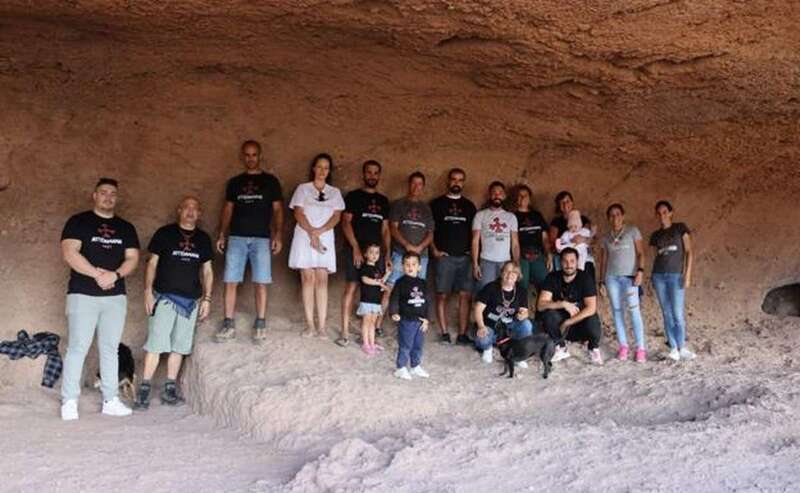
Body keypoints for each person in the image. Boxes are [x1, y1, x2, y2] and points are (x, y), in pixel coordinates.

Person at [60, 177, 140, 420]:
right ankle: (69, 401)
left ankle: (110, 399)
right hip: (83, 293)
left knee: (110, 349)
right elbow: (69, 253)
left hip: (115, 296)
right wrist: (98, 274)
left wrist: (114, 275)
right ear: (94, 195)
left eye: (112, 193)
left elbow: (133, 259)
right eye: (103, 192)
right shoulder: (78, 222)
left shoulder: (126, 228)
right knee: (77, 347)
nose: (108, 196)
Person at [136, 196, 214, 409]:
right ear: (179, 210)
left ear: (199, 214)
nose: (190, 211)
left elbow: (207, 271)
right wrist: (147, 292)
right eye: (187, 207)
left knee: (179, 346)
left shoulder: (203, 239)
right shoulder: (165, 234)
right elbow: (152, 263)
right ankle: (144, 389)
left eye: (195, 208)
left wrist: (207, 299)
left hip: (190, 301)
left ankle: (169, 388)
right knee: (155, 344)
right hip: (165, 298)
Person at [215, 140, 284, 343]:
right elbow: (228, 209)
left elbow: (278, 210)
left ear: (260, 155)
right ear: (242, 156)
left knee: (261, 281)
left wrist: (278, 235)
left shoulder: (271, 181)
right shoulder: (235, 182)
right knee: (230, 280)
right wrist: (221, 233)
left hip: (261, 237)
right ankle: (228, 323)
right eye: (247, 155)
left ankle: (260, 322)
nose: (250, 158)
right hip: (236, 236)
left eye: (254, 155)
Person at [288, 153, 345, 338]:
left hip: (324, 236)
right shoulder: (303, 189)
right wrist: (312, 232)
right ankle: (310, 326)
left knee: (322, 278)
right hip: (305, 235)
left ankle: (321, 327)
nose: (322, 171)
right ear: (313, 168)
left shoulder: (334, 192)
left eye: (326, 168)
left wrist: (319, 232)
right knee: (308, 278)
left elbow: (337, 216)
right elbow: (298, 213)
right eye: (319, 167)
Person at [339, 160, 391, 347]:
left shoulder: (383, 201)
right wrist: (355, 248)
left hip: (376, 254)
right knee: (352, 288)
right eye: (369, 172)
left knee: (372, 291)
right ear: (363, 174)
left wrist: (387, 255)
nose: (372, 176)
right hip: (356, 251)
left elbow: (385, 230)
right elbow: (345, 223)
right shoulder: (354, 196)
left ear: (379, 175)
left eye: (375, 173)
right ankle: (344, 332)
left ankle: (367, 334)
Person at [430, 168, 477, 344]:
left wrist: (473, 257)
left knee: (465, 295)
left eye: (460, 180)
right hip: (445, 256)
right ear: (448, 181)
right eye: (453, 179)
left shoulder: (469, 206)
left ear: (463, 183)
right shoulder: (437, 204)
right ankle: (444, 332)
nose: (456, 183)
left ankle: (462, 334)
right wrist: (434, 250)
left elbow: (475, 234)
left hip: (465, 257)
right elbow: (429, 230)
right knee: (442, 294)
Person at [537, 248, 603, 365]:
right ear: (560, 262)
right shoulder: (552, 277)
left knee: (592, 318)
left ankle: (593, 348)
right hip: (561, 329)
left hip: (578, 322)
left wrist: (568, 322)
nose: (568, 265)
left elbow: (591, 308)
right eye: (565, 261)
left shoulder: (585, 278)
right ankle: (560, 347)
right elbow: (540, 305)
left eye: (572, 261)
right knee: (548, 314)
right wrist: (562, 304)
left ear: (577, 262)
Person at [598, 203, 647, 362]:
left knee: (634, 311)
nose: (615, 217)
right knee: (617, 311)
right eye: (611, 215)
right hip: (612, 278)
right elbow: (603, 260)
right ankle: (624, 346)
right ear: (608, 218)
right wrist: (601, 280)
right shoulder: (606, 237)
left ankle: (640, 348)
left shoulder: (633, 231)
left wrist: (640, 271)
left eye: (618, 214)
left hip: (630, 277)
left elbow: (641, 253)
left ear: (623, 215)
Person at [649, 200, 695, 361]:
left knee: (677, 313)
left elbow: (689, 252)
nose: (662, 216)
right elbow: (656, 257)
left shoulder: (680, 228)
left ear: (670, 212)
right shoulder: (655, 236)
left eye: (664, 212)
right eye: (659, 213)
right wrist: (652, 278)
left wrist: (687, 274)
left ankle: (682, 346)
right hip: (659, 275)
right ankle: (673, 347)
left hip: (676, 276)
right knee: (666, 313)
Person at [473, 261, 533, 364]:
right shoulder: (490, 287)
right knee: (481, 339)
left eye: (514, 272)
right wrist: (481, 326)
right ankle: (488, 349)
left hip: (510, 328)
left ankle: (518, 352)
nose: (510, 275)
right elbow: (478, 309)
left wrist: (523, 315)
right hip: (491, 326)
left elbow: (525, 312)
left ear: (518, 276)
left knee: (527, 325)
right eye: (507, 271)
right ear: (501, 273)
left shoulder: (521, 291)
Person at [388, 252, 431, 380]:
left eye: (413, 264)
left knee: (418, 344)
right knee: (406, 345)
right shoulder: (400, 283)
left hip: (420, 321)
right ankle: (400, 368)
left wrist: (427, 319)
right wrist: (394, 312)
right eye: (407, 264)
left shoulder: (423, 283)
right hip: (407, 320)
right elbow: (394, 299)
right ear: (402, 267)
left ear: (419, 267)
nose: (410, 267)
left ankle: (415, 366)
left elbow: (428, 301)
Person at [472, 181, 520, 292]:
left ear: (504, 196)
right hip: (486, 260)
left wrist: (516, 265)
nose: (497, 195)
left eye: (500, 193)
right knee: (484, 292)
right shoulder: (480, 215)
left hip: (506, 262)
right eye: (494, 193)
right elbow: (475, 241)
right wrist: (475, 264)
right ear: (489, 195)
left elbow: (515, 243)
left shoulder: (511, 217)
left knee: (505, 292)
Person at [512, 184, 551, 293]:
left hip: (538, 254)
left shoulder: (537, 215)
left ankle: (543, 310)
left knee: (545, 285)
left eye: (525, 195)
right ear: (516, 198)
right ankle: (522, 310)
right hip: (522, 256)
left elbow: (545, 238)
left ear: (530, 198)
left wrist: (548, 254)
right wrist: (516, 261)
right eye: (520, 195)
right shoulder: (512, 216)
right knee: (521, 285)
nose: (523, 198)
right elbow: (514, 241)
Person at [356, 244, 390, 356]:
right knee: (366, 322)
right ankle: (365, 344)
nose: (374, 255)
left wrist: (387, 274)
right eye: (371, 252)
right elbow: (365, 280)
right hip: (366, 301)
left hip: (376, 301)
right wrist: (380, 283)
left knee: (373, 323)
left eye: (377, 253)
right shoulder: (365, 267)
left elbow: (380, 283)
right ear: (365, 254)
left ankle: (372, 343)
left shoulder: (377, 269)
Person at [548, 191, 591, 270]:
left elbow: (591, 237)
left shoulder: (583, 219)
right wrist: (563, 245)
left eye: (567, 201)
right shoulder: (556, 222)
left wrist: (583, 239)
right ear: (559, 206)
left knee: (587, 262)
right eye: (562, 202)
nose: (565, 204)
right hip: (563, 253)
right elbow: (553, 242)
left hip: (581, 251)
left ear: (572, 202)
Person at [555, 210, 596, 279]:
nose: (573, 229)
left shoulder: (584, 231)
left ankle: (580, 270)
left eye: (575, 226)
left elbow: (591, 238)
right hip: (571, 250)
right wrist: (560, 241)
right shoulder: (567, 233)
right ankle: (559, 248)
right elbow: (563, 240)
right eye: (571, 227)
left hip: (582, 251)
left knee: (582, 259)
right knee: (567, 247)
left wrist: (590, 234)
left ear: (580, 225)